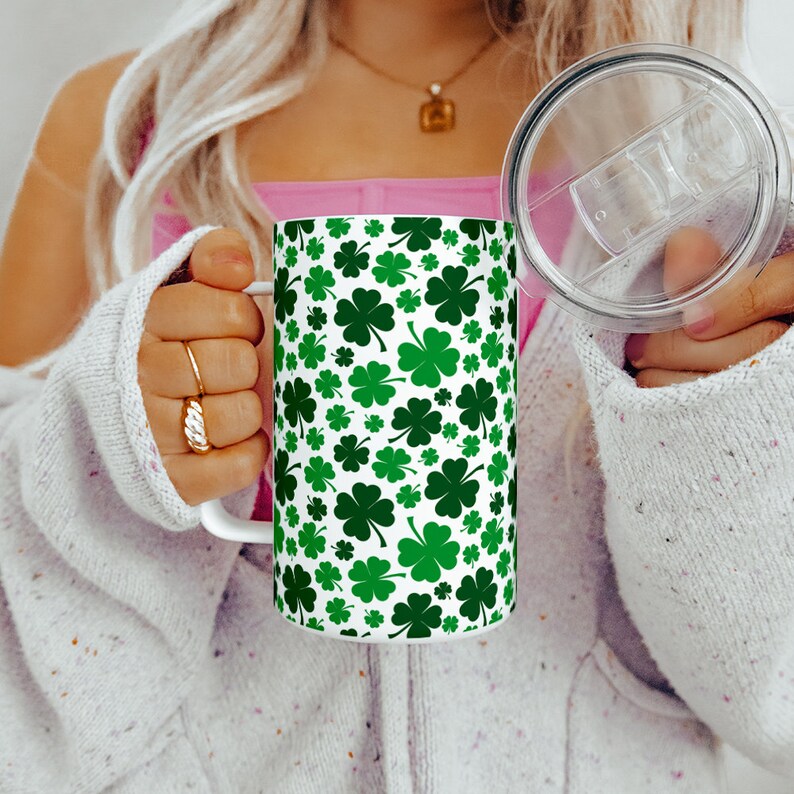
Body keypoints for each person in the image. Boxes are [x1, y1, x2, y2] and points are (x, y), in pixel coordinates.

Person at [1, 0, 793, 791]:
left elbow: (768, 702)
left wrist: (721, 436)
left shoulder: (689, 143)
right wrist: (108, 432)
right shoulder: (123, 129)